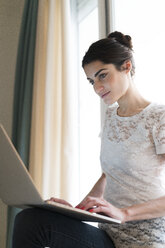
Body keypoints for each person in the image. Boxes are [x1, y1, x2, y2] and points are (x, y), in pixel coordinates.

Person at [12, 31, 165, 248]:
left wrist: (124, 213)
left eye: (102, 75)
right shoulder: (111, 116)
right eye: (91, 80)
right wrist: (75, 210)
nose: (97, 87)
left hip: (144, 240)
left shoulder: (159, 117)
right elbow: (109, 175)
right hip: (108, 235)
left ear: (127, 67)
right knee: (31, 220)